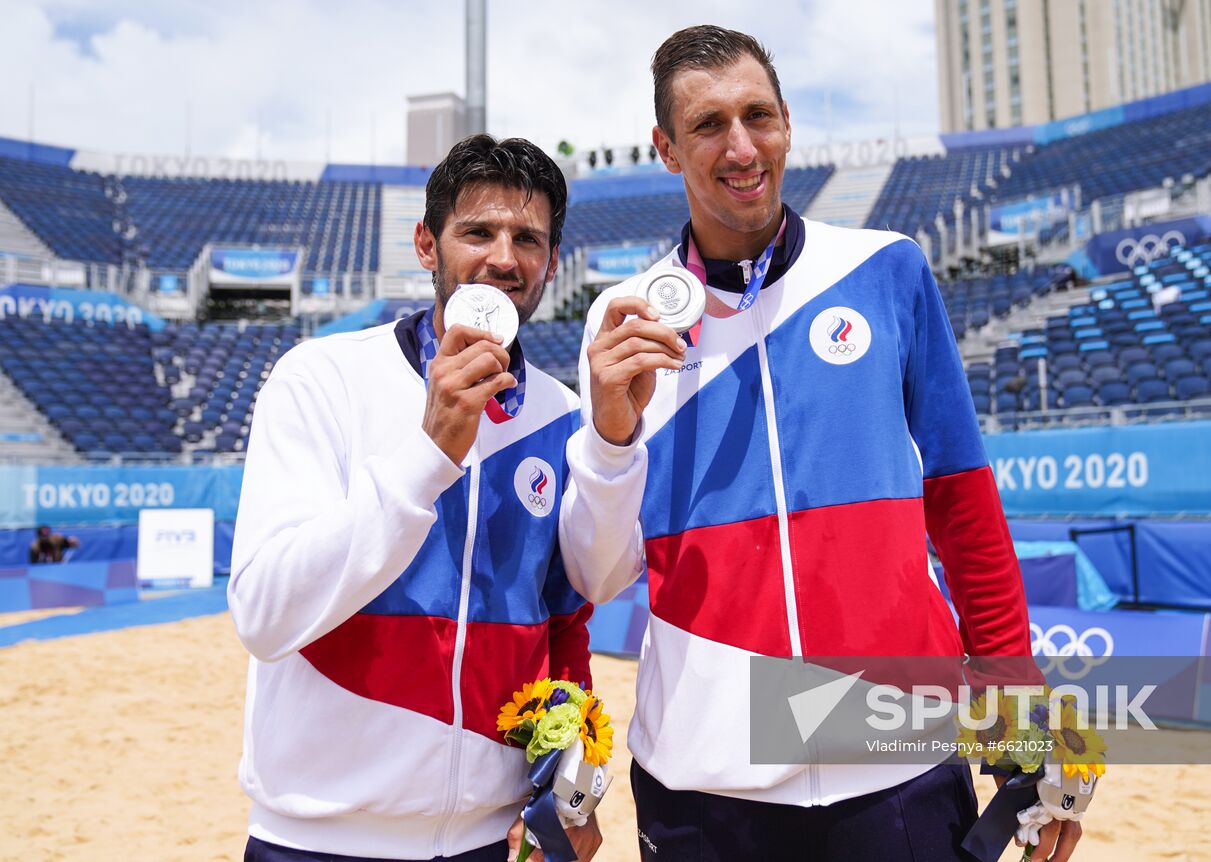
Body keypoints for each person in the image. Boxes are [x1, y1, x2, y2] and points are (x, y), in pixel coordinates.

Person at [560, 25, 1079, 862]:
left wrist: (1020, 715)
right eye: (708, 125)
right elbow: (600, 570)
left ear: (788, 122)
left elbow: (965, 511)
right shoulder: (623, 319)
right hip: (702, 786)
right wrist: (612, 439)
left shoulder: (887, 269)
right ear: (665, 147)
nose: (740, 146)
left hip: (897, 768)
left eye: (757, 115)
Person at [229, 134, 610, 862]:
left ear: (550, 264)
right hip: (317, 839)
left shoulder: (563, 415)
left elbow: (567, 630)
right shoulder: (321, 378)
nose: (503, 256)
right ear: (427, 245)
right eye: (477, 231)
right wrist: (427, 455)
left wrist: (577, 792)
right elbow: (263, 615)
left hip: (493, 841)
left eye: (526, 238)